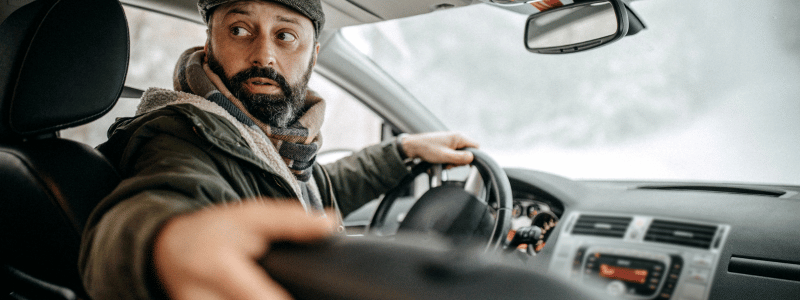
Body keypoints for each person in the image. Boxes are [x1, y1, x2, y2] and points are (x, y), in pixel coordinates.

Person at [78, 0, 479, 299]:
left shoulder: (276, 148)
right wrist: (162, 243)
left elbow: (314, 189)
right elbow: (152, 202)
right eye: (239, 30)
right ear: (209, 42)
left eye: (285, 36)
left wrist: (403, 149)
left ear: (313, 56)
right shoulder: (181, 134)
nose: (263, 55)